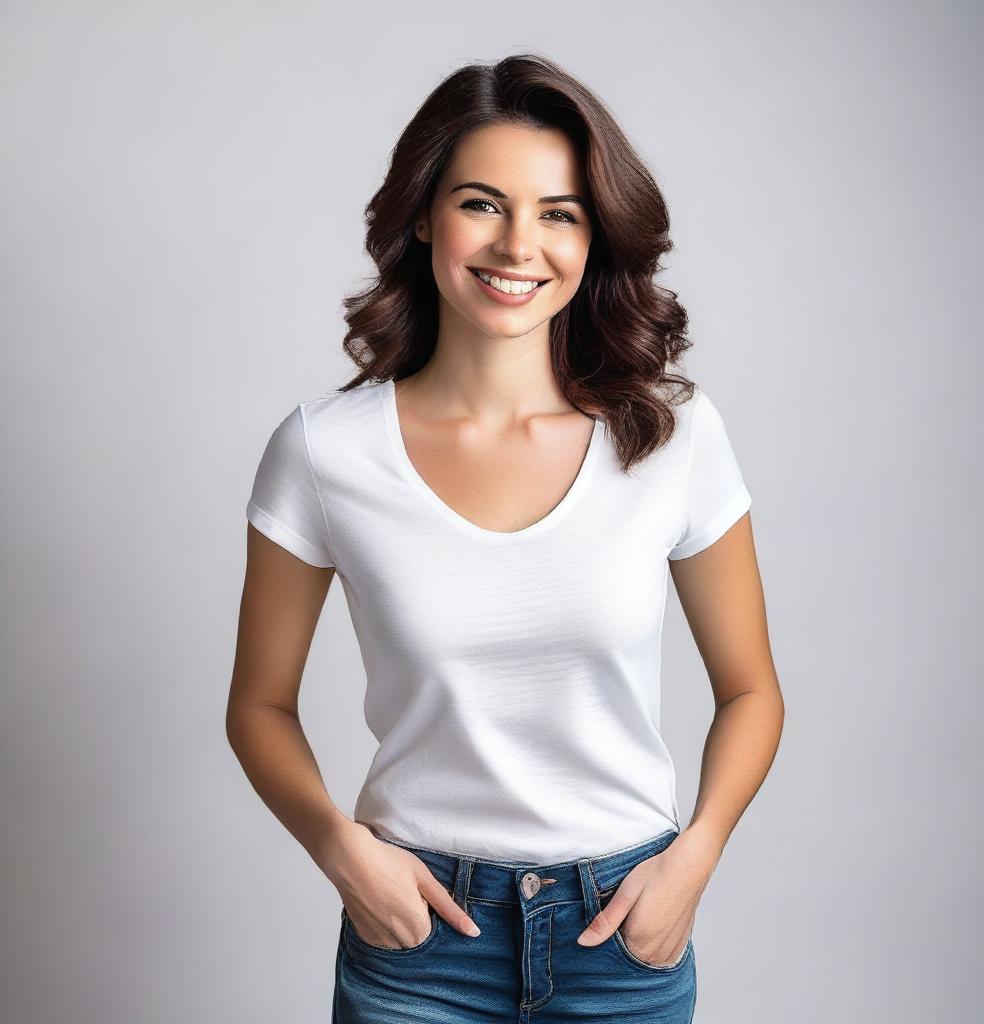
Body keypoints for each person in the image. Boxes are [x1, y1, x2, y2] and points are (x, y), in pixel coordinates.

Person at [226, 54, 784, 1024]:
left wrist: (694, 858)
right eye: (482, 203)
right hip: (419, 938)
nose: (519, 243)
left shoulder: (673, 434)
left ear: (594, 234)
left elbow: (751, 689)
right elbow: (259, 704)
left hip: (622, 928)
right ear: (421, 215)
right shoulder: (326, 448)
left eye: (559, 212)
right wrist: (340, 848)